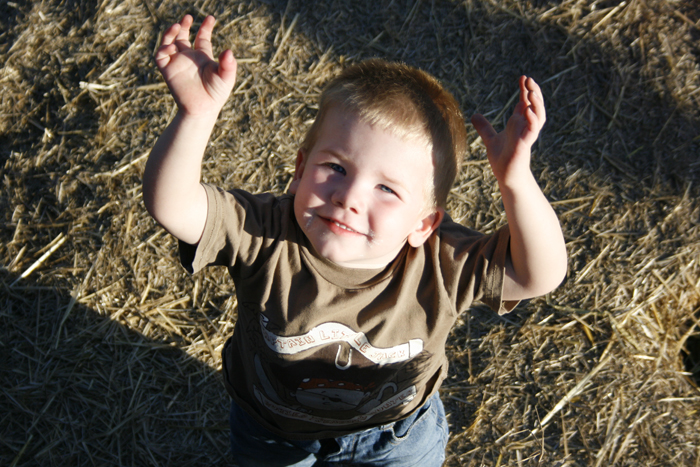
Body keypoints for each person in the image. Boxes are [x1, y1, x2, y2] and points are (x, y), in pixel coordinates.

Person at [143, 14, 567, 467]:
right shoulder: (263, 233)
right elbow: (173, 206)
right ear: (300, 170)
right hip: (272, 431)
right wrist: (196, 115)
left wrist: (516, 180)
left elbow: (538, 275)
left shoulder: (442, 263)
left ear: (424, 224)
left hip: (396, 438)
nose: (348, 198)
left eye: (386, 189)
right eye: (336, 168)